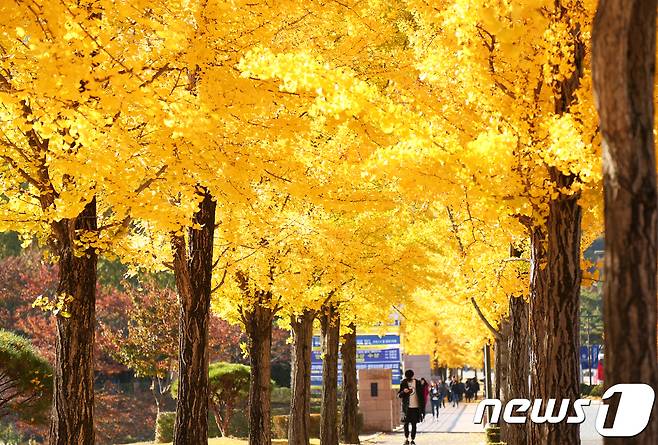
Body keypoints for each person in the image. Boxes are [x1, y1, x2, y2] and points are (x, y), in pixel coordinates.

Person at [398, 369, 426, 445]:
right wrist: (404, 391)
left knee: (414, 424)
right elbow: (399, 395)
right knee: (406, 424)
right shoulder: (403, 382)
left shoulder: (417, 383)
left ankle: (412, 439)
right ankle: (406, 438)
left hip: (416, 407)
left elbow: (421, 396)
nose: (408, 379)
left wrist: (423, 409)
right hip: (406, 407)